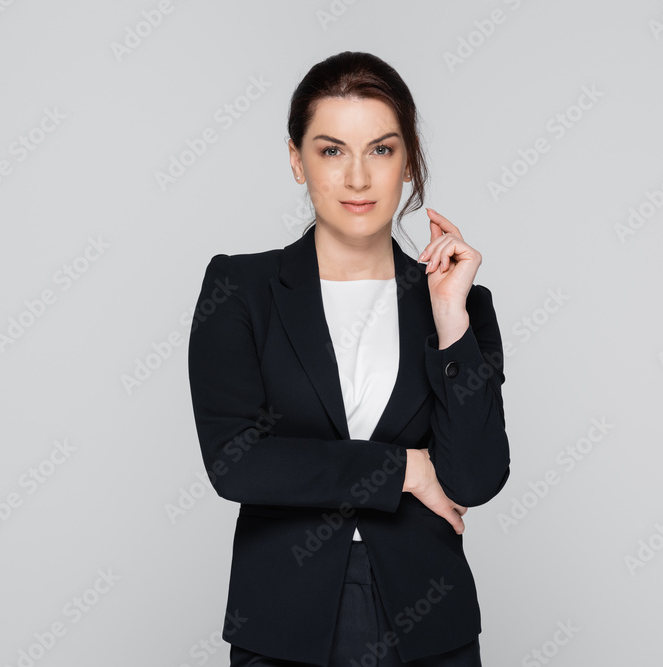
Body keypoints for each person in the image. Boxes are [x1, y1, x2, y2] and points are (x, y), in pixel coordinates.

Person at [187, 51, 510, 667]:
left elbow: (475, 480)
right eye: (332, 150)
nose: (358, 178)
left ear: (408, 161)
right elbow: (237, 463)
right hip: (283, 626)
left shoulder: (462, 303)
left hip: (429, 627)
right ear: (296, 160)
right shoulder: (240, 289)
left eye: (381, 150)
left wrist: (449, 319)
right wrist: (405, 470)